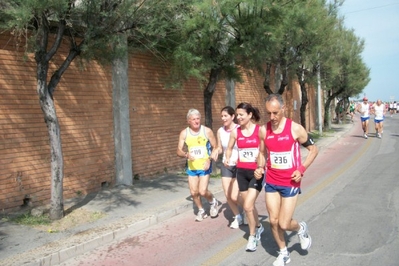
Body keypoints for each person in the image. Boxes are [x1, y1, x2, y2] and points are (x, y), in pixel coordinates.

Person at [255, 94, 318, 266]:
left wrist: (301, 169)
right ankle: (284, 253)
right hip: (272, 181)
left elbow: (313, 150)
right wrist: (260, 167)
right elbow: (262, 153)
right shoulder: (263, 130)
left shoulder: (295, 129)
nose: (272, 117)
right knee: (273, 221)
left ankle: (300, 228)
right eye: (269, 113)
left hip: (290, 181)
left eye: (275, 113)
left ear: (283, 109)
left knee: (283, 223)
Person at [225, 102, 264, 252]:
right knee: (249, 205)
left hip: (256, 173)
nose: (239, 117)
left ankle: (253, 236)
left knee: (247, 206)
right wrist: (227, 158)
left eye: (241, 115)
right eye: (238, 115)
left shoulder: (259, 131)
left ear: (250, 115)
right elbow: (229, 148)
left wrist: (261, 168)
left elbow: (263, 152)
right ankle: (259, 226)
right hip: (241, 172)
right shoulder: (236, 132)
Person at [176, 109, 220, 221]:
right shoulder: (184, 133)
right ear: (188, 121)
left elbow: (215, 147)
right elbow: (178, 151)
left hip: (204, 165)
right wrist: (186, 154)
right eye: (193, 119)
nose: (196, 121)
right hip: (192, 167)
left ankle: (212, 202)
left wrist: (209, 160)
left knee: (202, 191)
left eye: (198, 119)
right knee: (193, 192)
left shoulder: (207, 131)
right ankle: (201, 211)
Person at [216, 106, 245, 229]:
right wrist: (215, 152)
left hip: (239, 165)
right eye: (222, 116)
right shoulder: (220, 131)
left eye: (225, 116)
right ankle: (237, 216)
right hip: (226, 165)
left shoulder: (240, 129)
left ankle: (248, 210)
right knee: (227, 194)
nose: (223, 118)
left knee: (235, 196)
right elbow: (219, 147)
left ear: (233, 116)